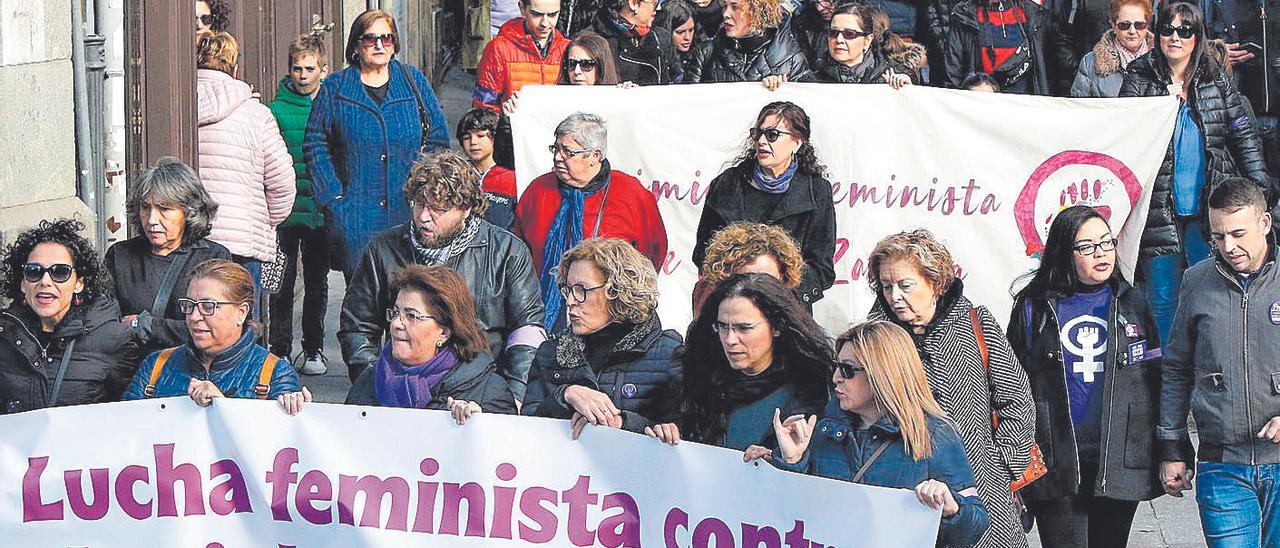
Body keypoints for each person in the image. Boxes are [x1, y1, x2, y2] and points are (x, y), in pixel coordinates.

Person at [1007, 206, 1184, 547]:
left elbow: (1157, 383)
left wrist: (1170, 450)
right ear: (1064, 252)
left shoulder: (1132, 302)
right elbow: (1012, 389)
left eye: (1106, 242)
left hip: (1117, 461)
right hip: (1056, 463)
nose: (1101, 253)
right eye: (1087, 247)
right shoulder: (1035, 306)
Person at [867, 228, 1035, 548]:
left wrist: (1001, 465)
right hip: (905, 492)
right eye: (887, 286)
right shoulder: (874, 339)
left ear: (935, 282)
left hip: (983, 488)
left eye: (905, 285)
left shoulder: (975, 323)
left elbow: (1017, 401)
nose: (894, 296)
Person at [763, 321, 991, 547]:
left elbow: (974, 527)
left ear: (882, 374)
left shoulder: (934, 435)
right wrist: (791, 461)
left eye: (847, 369)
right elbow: (794, 513)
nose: (836, 378)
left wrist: (952, 508)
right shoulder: (824, 431)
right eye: (836, 366)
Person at [1119, 0, 1269, 344]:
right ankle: (1173, 371)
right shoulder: (1140, 76)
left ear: (1197, 36)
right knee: (1163, 300)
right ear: (1157, 34)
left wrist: (1260, 189)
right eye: (1168, 29)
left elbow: (1243, 135)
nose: (1175, 37)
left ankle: (1209, 364)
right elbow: (1123, 136)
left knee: (1213, 293)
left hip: (1209, 209)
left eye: (1185, 30)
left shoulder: (1215, 76)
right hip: (1159, 211)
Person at [341, 151, 545, 401]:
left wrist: (513, 398)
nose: (424, 217)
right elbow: (358, 327)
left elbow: (526, 329)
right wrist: (377, 383)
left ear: (466, 209)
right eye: (418, 204)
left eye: (438, 209)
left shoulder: (508, 252)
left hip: (480, 391)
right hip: (401, 390)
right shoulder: (383, 249)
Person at [1159, 178, 1280, 546]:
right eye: (1218, 236)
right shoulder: (1196, 281)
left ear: (1264, 223)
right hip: (1222, 464)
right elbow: (1176, 368)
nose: (1229, 246)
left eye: (1238, 233)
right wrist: (1172, 448)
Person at [304, 9, 451, 276]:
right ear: (356, 45)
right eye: (371, 39)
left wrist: (423, 188)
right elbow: (315, 143)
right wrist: (332, 197)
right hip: (355, 216)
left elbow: (437, 139)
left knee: (409, 291)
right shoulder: (336, 87)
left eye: (387, 38)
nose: (380, 45)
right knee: (361, 294)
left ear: (394, 44)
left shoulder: (413, 81)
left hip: (408, 213)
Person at [515, 112, 668, 331]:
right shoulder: (537, 191)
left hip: (611, 321)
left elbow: (652, 253)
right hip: (542, 319)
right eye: (555, 149)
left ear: (595, 155)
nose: (558, 157)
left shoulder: (631, 194)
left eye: (568, 151)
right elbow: (518, 251)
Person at [648, 273, 830, 450]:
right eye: (722, 326)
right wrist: (667, 432)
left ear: (777, 326)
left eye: (743, 328)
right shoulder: (692, 377)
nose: (730, 339)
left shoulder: (810, 391)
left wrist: (782, 461)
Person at [522, 239, 684, 437]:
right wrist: (565, 395)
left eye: (581, 290)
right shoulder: (550, 354)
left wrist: (621, 422)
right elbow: (526, 430)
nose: (570, 301)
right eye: (568, 290)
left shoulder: (670, 354)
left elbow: (685, 434)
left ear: (618, 291)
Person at [693, 102, 835, 308]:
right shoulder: (727, 184)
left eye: (772, 135)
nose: (761, 141)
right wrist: (735, 283)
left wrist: (777, 293)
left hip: (786, 309)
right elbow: (703, 253)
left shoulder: (818, 191)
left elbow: (821, 269)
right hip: (730, 304)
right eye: (757, 133)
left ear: (797, 142)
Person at [123, 260, 309, 414]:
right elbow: (126, 431)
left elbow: (278, 443)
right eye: (189, 305)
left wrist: (222, 408)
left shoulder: (275, 374)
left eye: (208, 306)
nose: (194, 316)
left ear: (242, 312)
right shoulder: (156, 366)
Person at [346, 264, 517, 421]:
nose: (396, 324)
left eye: (411, 316)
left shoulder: (488, 392)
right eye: (396, 312)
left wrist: (481, 423)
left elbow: (508, 442)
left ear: (444, 332)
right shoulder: (370, 379)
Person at [0, 219, 139, 412]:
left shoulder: (112, 339)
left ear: (79, 283)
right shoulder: (5, 336)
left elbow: (130, 414)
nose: (45, 281)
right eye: (34, 271)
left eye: (60, 272)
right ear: (23, 283)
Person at [195, 32, 297, 288]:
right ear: (235, 68)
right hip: (243, 241)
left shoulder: (180, 105)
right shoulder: (256, 114)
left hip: (192, 239)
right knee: (243, 308)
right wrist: (267, 219)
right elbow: (283, 181)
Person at [105, 158, 232, 359]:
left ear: (189, 211)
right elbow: (106, 325)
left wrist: (146, 325)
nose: (152, 220)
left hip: (193, 369)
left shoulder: (212, 258)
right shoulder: (120, 255)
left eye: (164, 209)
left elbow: (217, 329)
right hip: (134, 370)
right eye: (145, 207)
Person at [268, 34, 332, 374]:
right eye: (297, 68)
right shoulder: (275, 110)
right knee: (281, 281)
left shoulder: (332, 107)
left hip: (320, 212)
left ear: (323, 70)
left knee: (317, 283)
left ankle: (313, 349)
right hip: (285, 212)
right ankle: (279, 349)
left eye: (310, 69)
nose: (303, 75)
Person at [1202, 0, 1279, 193]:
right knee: (1246, 193)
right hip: (1238, 115)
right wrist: (1216, 52)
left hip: (1276, 113)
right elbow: (1188, 38)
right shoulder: (1216, 3)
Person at [473, 0, 571, 111]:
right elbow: (483, 107)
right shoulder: (498, 48)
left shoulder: (567, 48)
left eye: (552, 15)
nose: (545, 23)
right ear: (522, 8)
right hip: (510, 121)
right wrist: (505, 115)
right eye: (536, 14)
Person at [684, 0, 812, 84]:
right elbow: (688, 103)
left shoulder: (792, 60)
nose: (726, 14)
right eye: (725, 6)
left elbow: (805, 107)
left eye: (735, 7)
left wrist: (782, 92)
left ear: (757, 11)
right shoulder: (706, 52)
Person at [692, 221, 804, 315]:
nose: (756, 293)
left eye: (767, 282)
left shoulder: (796, 324)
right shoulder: (707, 306)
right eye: (744, 282)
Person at [943, 0, 1053, 94]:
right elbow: (953, 74)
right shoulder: (965, 15)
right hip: (980, 101)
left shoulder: (1031, 13)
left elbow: (1046, 70)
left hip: (1022, 100)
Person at [807, 3, 924, 86]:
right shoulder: (812, 81)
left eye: (849, 34)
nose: (839, 39)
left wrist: (909, 88)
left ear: (867, 40)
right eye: (833, 32)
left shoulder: (896, 73)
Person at [582, 0, 684, 85]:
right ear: (633, 3)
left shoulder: (661, 37)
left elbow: (677, 79)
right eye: (654, 3)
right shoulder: (592, 40)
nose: (659, 8)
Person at [1068, 0, 1152, 97]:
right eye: (1124, 25)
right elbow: (1079, 104)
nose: (1132, 31)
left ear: (1147, 25)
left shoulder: (1162, 62)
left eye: (1139, 25)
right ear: (1114, 26)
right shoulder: (1090, 63)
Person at [456, 108, 519, 231]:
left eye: (480, 136)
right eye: (467, 137)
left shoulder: (512, 177)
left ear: (495, 138)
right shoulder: (457, 174)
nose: (473, 142)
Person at [558, 31, 624, 85]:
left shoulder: (618, 94)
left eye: (585, 64)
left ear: (601, 67)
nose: (576, 71)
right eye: (572, 63)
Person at [658, 0, 700, 72]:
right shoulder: (658, 60)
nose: (687, 37)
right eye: (680, 32)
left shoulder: (700, 56)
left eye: (691, 30)